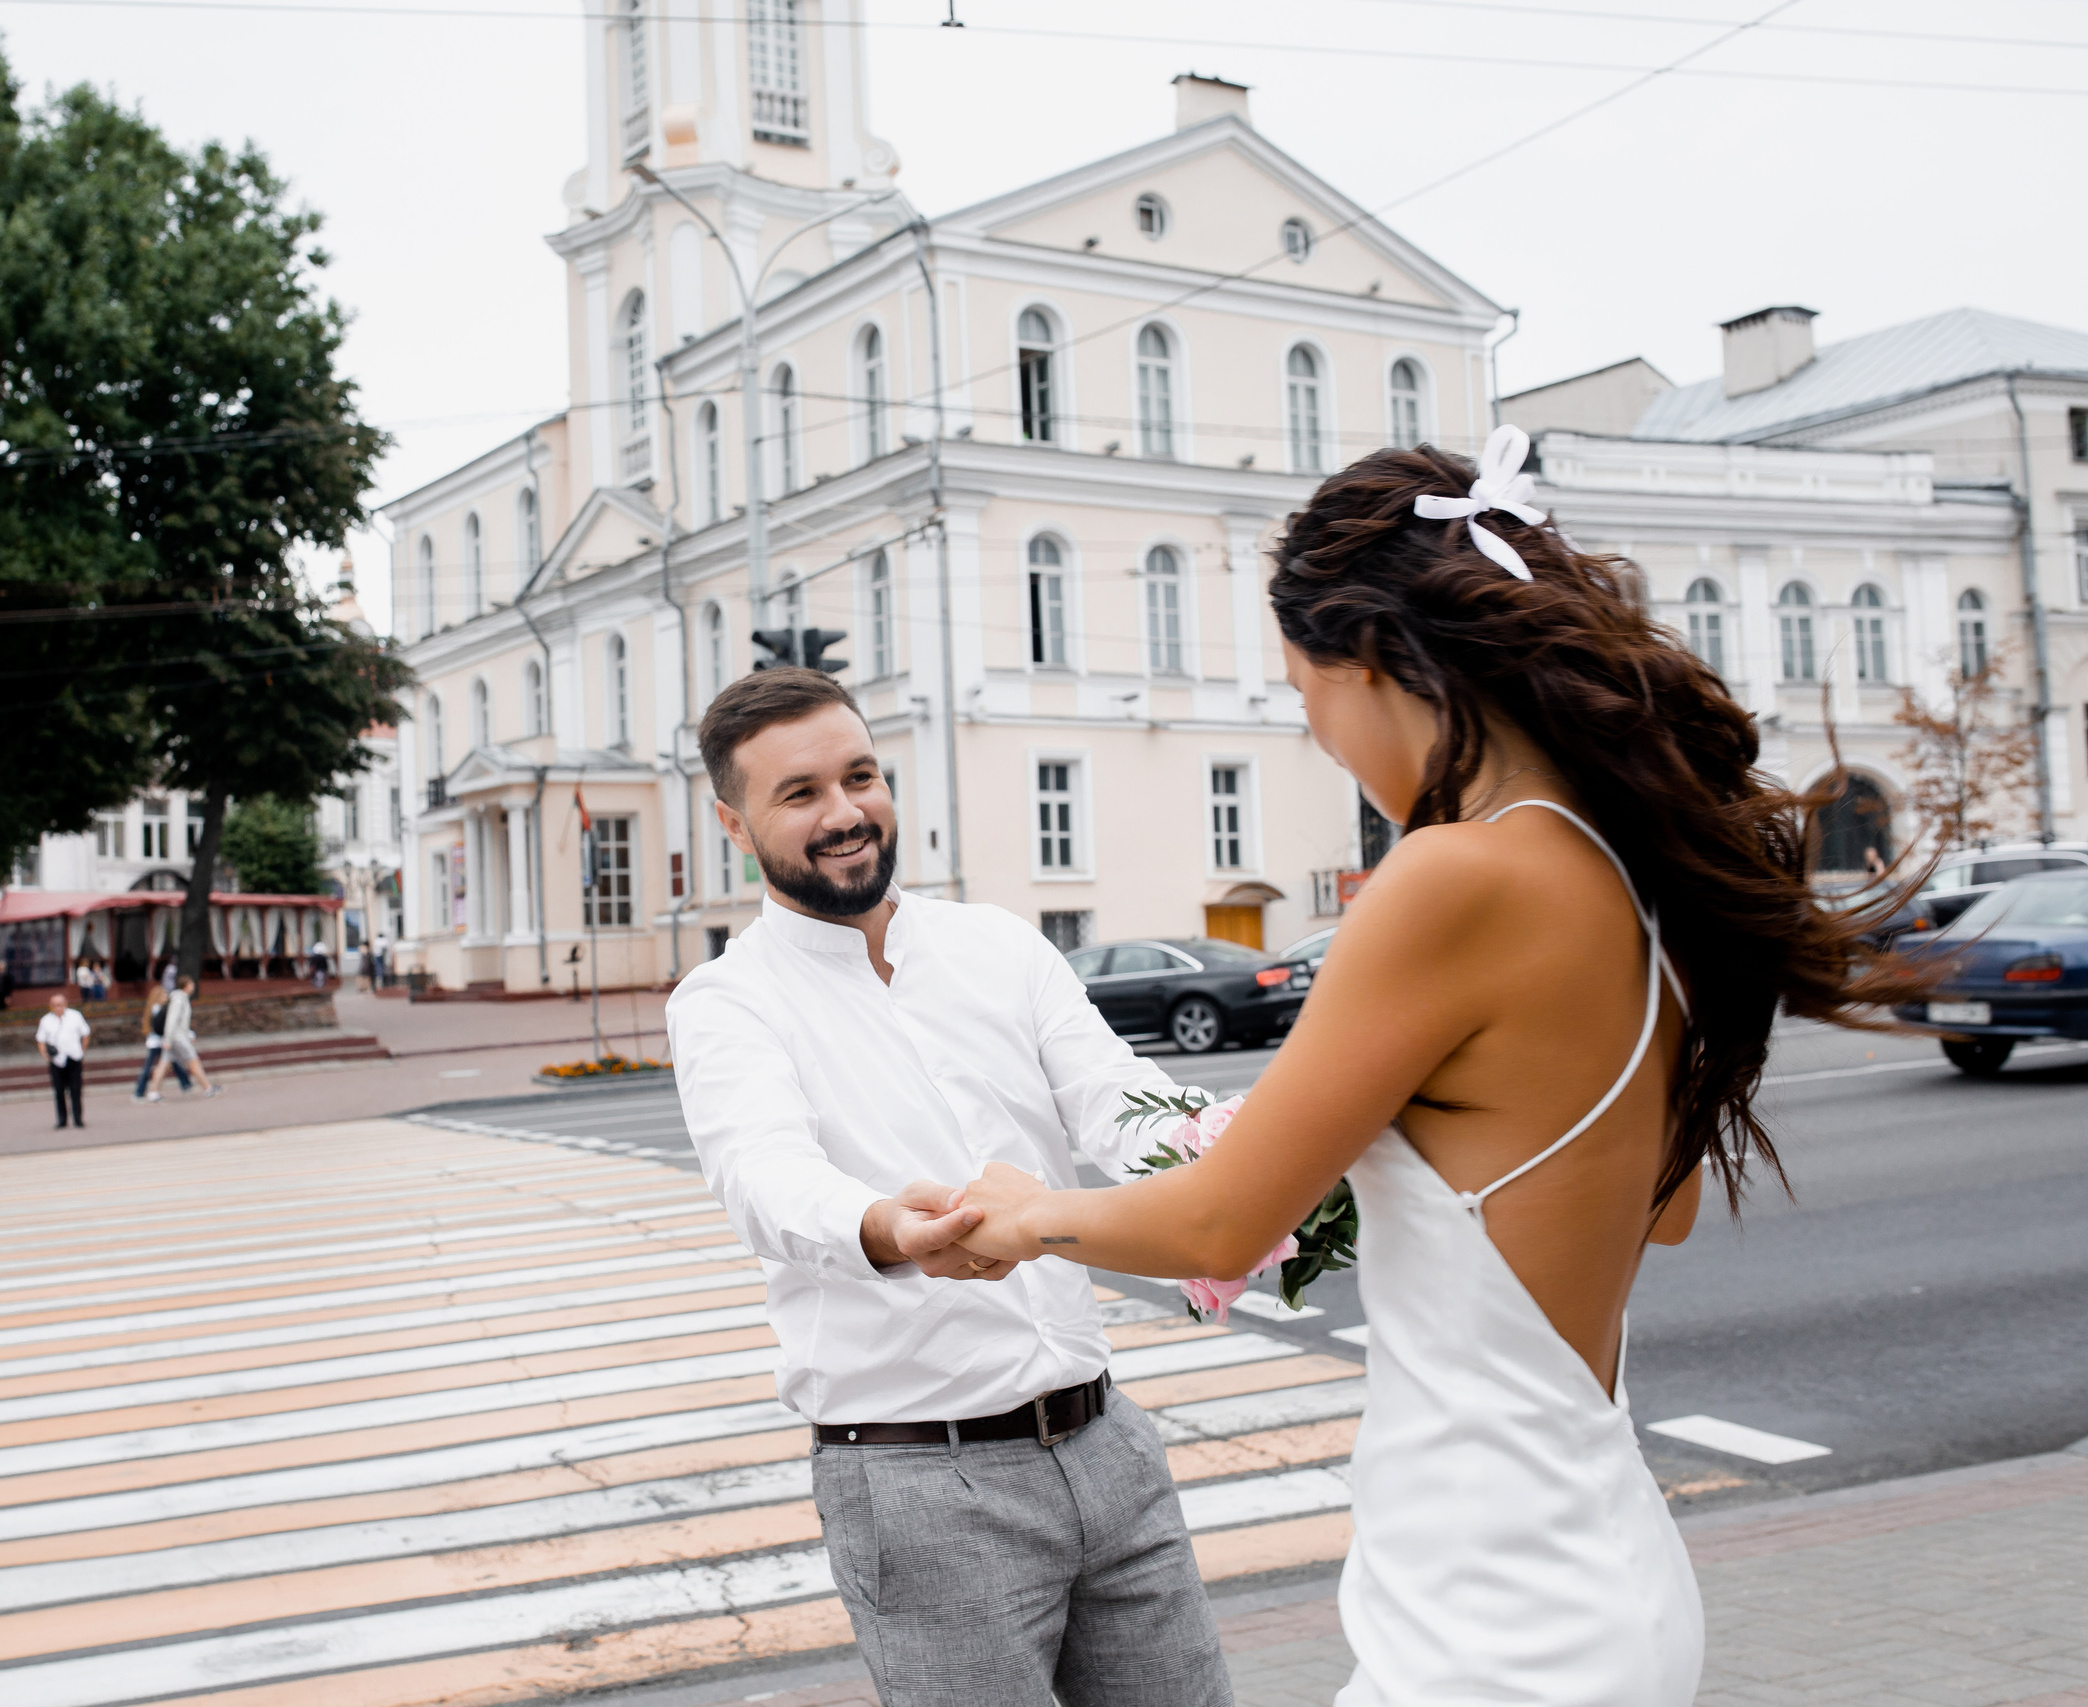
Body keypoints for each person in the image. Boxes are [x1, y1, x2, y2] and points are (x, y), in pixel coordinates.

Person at [953, 429, 1923, 1707]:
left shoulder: (1454, 873)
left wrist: (1026, 1215)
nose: (1326, 746)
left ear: (1369, 662)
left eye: (1308, 703)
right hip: (1592, 1576)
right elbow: (1658, 1207)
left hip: (1497, 1616)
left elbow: (1222, 1216)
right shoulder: (1625, 878)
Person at [665, 668, 1233, 1707]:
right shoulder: (726, 1001)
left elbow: (1118, 1098)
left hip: (1108, 1447)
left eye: (861, 776)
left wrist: (1237, 1155)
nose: (845, 814)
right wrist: (884, 1226)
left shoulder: (998, 946)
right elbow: (764, 1177)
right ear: (733, 824)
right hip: (920, 1486)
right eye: (799, 794)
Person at [35, 992, 91, 1130]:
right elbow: (40, 1039)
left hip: (73, 1057)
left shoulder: (75, 1016)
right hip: (56, 1060)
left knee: (76, 1089)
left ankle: (78, 1118)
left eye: (59, 1004)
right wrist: (45, 1055)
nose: (57, 1007)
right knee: (59, 1091)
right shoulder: (46, 1021)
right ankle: (62, 1119)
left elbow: (85, 1033)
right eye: (54, 1005)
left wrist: (82, 1050)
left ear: (65, 1004)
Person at [163, 974, 219, 1098]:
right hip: (177, 1038)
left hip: (178, 1036)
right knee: (193, 1061)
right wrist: (168, 1039)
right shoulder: (178, 999)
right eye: (192, 984)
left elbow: (182, 1022)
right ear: (187, 985)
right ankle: (208, 1088)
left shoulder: (182, 998)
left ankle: (152, 1092)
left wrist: (188, 1034)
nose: (193, 986)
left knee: (164, 1064)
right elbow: (172, 1020)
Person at [132, 982, 189, 1101]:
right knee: (152, 1067)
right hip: (159, 1042)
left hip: (156, 1041)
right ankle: (140, 1091)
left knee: (172, 1063)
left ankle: (186, 1083)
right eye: (163, 996)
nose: (166, 998)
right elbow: (161, 1027)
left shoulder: (153, 1009)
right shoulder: (158, 1010)